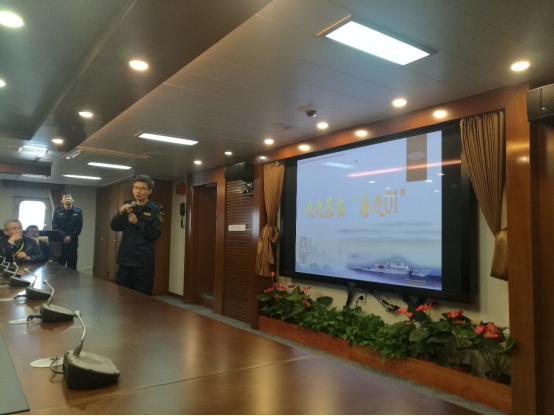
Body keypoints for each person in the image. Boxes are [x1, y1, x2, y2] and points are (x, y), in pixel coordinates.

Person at [110, 175, 164, 296]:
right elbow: (114, 227)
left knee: (141, 298)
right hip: (125, 260)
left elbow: (155, 234)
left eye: (142, 188)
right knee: (122, 296)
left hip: (143, 262)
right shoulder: (128, 206)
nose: (137, 191)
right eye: (135, 187)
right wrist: (120, 212)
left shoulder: (155, 209)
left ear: (149, 191)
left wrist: (137, 222)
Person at [52, 192, 83, 270]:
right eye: (65, 198)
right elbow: (55, 227)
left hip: (72, 243)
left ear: (72, 200)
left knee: (72, 267)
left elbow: (78, 227)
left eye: (69, 197)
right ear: (62, 200)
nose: (67, 199)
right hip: (61, 243)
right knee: (59, 267)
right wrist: (64, 236)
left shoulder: (78, 212)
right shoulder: (57, 211)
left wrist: (70, 237)